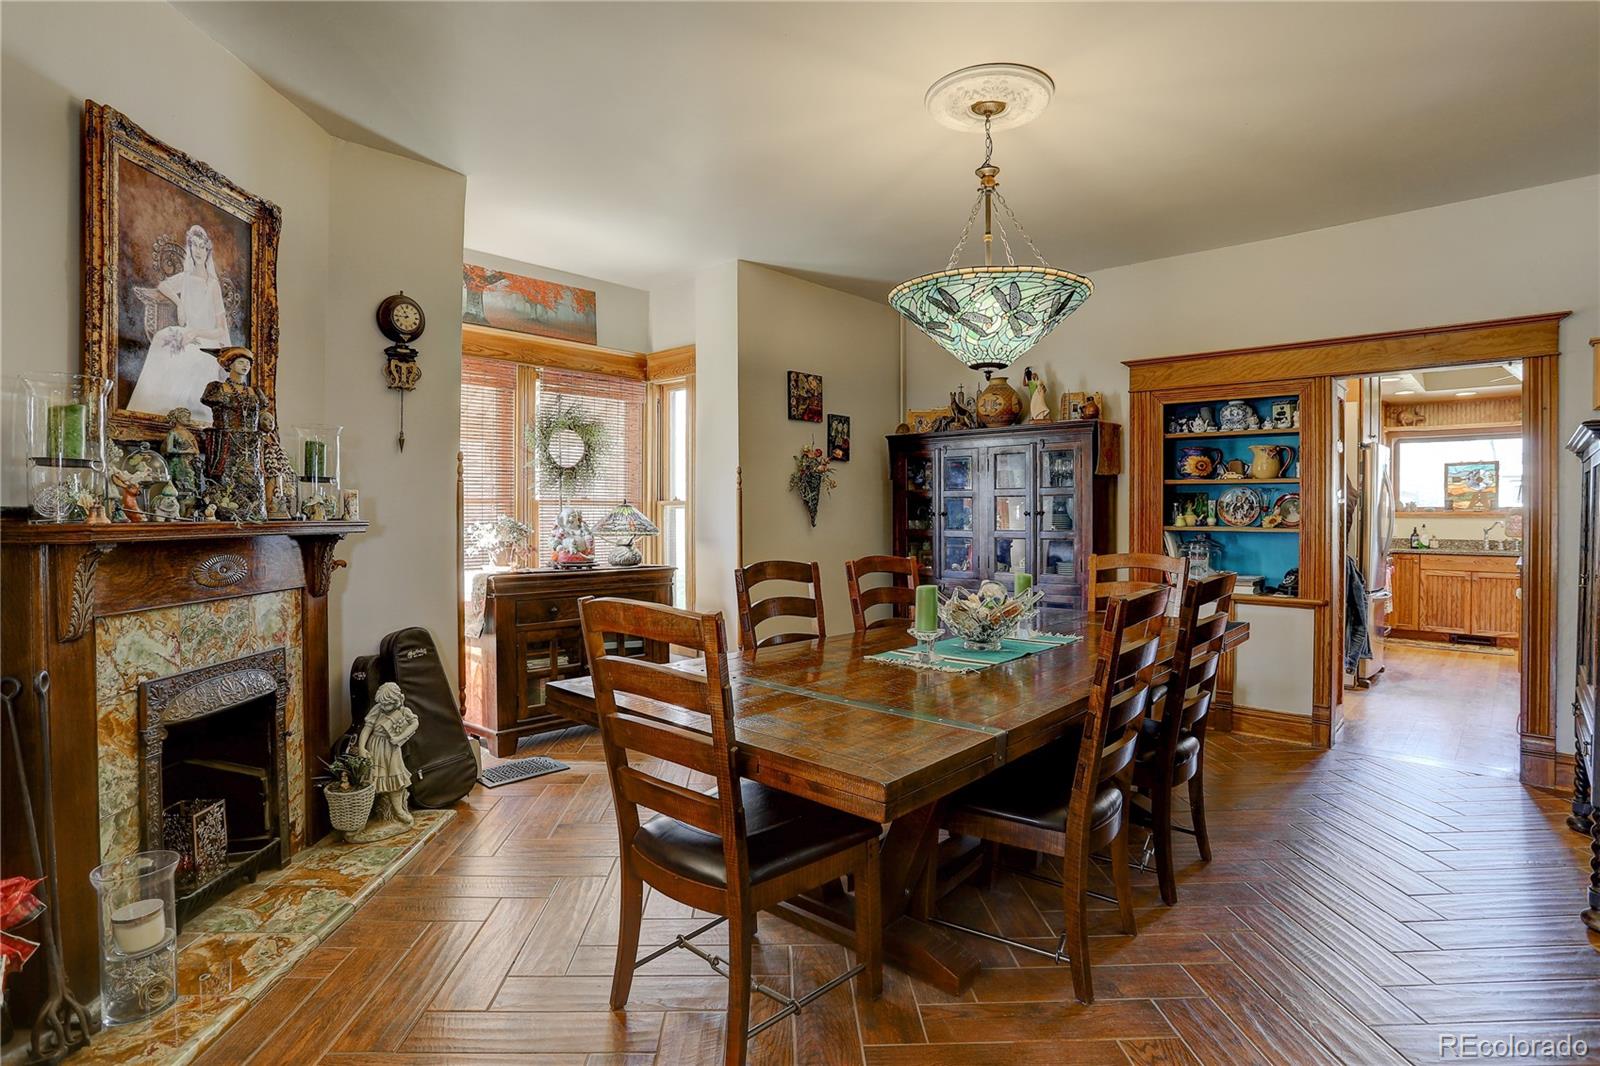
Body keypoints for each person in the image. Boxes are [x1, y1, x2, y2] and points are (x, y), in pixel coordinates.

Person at [128, 225, 231, 422]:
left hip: (208, 341)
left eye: (202, 247)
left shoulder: (212, 285)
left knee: (192, 356)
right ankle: (150, 412)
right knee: (162, 338)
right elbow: (163, 285)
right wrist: (180, 303)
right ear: (190, 248)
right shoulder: (186, 278)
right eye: (195, 246)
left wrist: (197, 332)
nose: (198, 251)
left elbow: (219, 330)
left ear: (208, 251)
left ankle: (182, 416)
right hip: (189, 332)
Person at [359, 682, 420, 827]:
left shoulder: (404, 711)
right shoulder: (378, 709)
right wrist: (361, 747)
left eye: (388, 704)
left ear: (397, 700)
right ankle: (364, 815)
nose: (384, 707)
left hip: (392, 750)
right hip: (375, 747)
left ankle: (399, 811)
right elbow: (367, 729)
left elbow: (414, 723)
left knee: (396, 780)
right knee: (372, 780)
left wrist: (400, 737)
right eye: (382, 704)